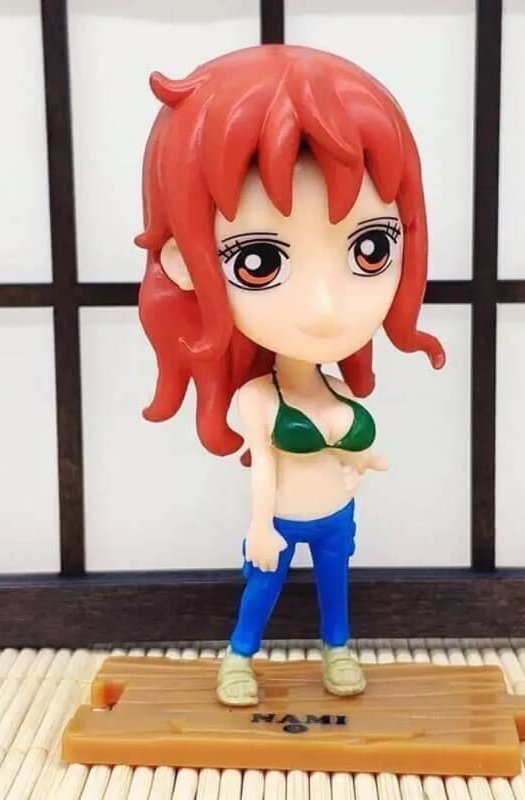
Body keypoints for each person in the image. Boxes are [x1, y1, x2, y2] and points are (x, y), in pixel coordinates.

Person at [136, 44, 444, 706]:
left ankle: (339, 652)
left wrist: (364, 461)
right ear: (185, 262)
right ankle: (238, 659)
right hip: (280, 520)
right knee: (263, 589)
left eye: (371, 248)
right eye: (259, 262)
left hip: (335, 517)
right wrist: (259, 526)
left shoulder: (335, 387)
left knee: (336, 591)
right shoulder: (259, 397)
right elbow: (265, 471)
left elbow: (355, 451)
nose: (326, 309)